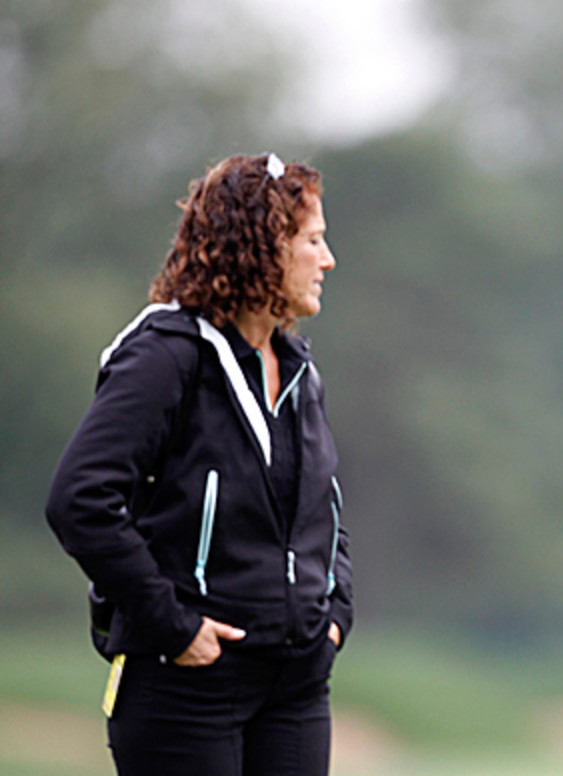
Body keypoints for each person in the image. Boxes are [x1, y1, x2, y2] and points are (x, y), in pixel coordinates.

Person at [46, 152, 352, 776]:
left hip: (295, 685)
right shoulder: (165, 356)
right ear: (264, 247)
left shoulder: (297, 369)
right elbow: (80, 500)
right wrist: (173, 624)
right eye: (313, 241)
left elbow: (321, 507)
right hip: (186, 685)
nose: (327, 260)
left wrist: (334, 610)